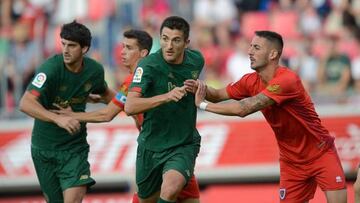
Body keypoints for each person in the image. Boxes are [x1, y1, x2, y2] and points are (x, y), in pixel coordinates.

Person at [187, 30, 347, 203]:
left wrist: (203, 105)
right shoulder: (250, 81)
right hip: (291, 162)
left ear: (273, 54)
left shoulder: (287, 80)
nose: (250, 51)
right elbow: (218, 94)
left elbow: (244, 108)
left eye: (256, 47)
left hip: (321, 153)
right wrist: (197, 86)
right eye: (250, 46)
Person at [53, 29, 201, 203]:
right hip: (173, 153)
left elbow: (107, 115)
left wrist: (74, 116)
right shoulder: (142, 78)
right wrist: (104, 98)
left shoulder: (135, 79)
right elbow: (129, 104)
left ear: (143, 53)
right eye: (122, 47)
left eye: (129, 48)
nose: (122, 52)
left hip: (160, 154)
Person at [19, 20, 115, 203]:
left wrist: (133, 105)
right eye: (63, 44)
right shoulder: (51, 69)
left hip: (74, 149)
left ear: (84, 48)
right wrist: (57, 118)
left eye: (71, 45)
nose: (65, 50)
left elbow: (109, 95)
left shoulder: (94, 71)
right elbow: (25, 102)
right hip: (44, 149)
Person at [124, 16, 204, 203]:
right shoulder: (148, 66)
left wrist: (202, 92)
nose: (169, 45)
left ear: (186, 43)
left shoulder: (197, 61)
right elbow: (130, 106)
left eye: (176, 40)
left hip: (183, 145)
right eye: (165, 38)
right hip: (151, 147)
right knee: (146, 199)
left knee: (170, 188)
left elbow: (203, 89)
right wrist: (167, 97)